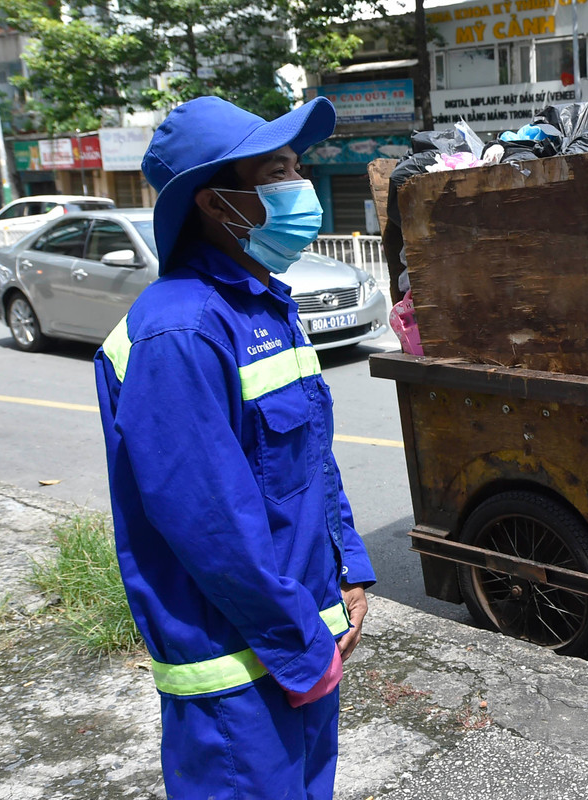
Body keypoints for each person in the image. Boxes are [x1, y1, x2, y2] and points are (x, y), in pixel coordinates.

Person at [94, 95, 376, 799]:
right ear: (219, 204)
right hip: (238, 674)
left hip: (300, 643)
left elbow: (311, 458)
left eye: (296, 166)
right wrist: (302, 648)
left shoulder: (263, 305)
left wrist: (351, 572)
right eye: (277, 171)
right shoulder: (180, 332)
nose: (299, 186)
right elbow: (209, 524)